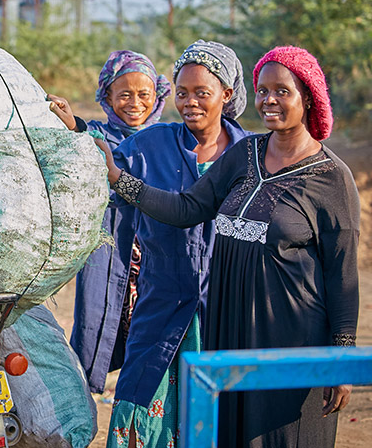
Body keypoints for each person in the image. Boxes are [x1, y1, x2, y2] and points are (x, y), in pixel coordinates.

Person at [100, 46, 359, 448]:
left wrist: (341, 359)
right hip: (230, 333)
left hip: (290, 338)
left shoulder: (331, 177)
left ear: (307, 96)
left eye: (282, 91)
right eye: (262, 90)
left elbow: (342, 275)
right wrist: (120, 179)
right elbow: (187, 208)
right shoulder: (246, 153)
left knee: (284, 439)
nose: (269, 100)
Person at [57, 40, 253, 447]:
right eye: (183, 93)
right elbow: (100, 161)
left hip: (225, 308)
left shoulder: (251, 154)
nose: (191, 102)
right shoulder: (152, 144)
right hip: (160, 301)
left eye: (202, 92)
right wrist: (70, 128)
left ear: (227, 94)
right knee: (144, 402)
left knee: (218, 413)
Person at [47, 50, 171, 394]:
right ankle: (84, 393)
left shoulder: (168, 138)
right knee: (98, 317)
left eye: (143, 94)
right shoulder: (100, 134)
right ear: (107, 97)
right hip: (112, 245)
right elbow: (84, 139)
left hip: (154, 251)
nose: (134, 103)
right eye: (124, 94)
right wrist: (72, 123)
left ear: (157, 97)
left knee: (149, 329)